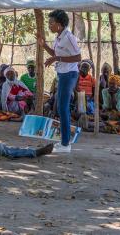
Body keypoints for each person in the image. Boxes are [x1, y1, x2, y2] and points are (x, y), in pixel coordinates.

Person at [37, 9, 82, 153]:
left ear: (60, 24)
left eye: (51, 23)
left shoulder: (69, 37)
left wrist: (57, 59)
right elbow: (56, 54)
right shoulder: (59, 37)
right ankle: (64, 142)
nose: (49, 25)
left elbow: (78, 58)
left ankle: (65, 144)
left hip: (69, 74)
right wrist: (43, 45)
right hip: (63, 74)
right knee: (62, 108)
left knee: (63, 108)